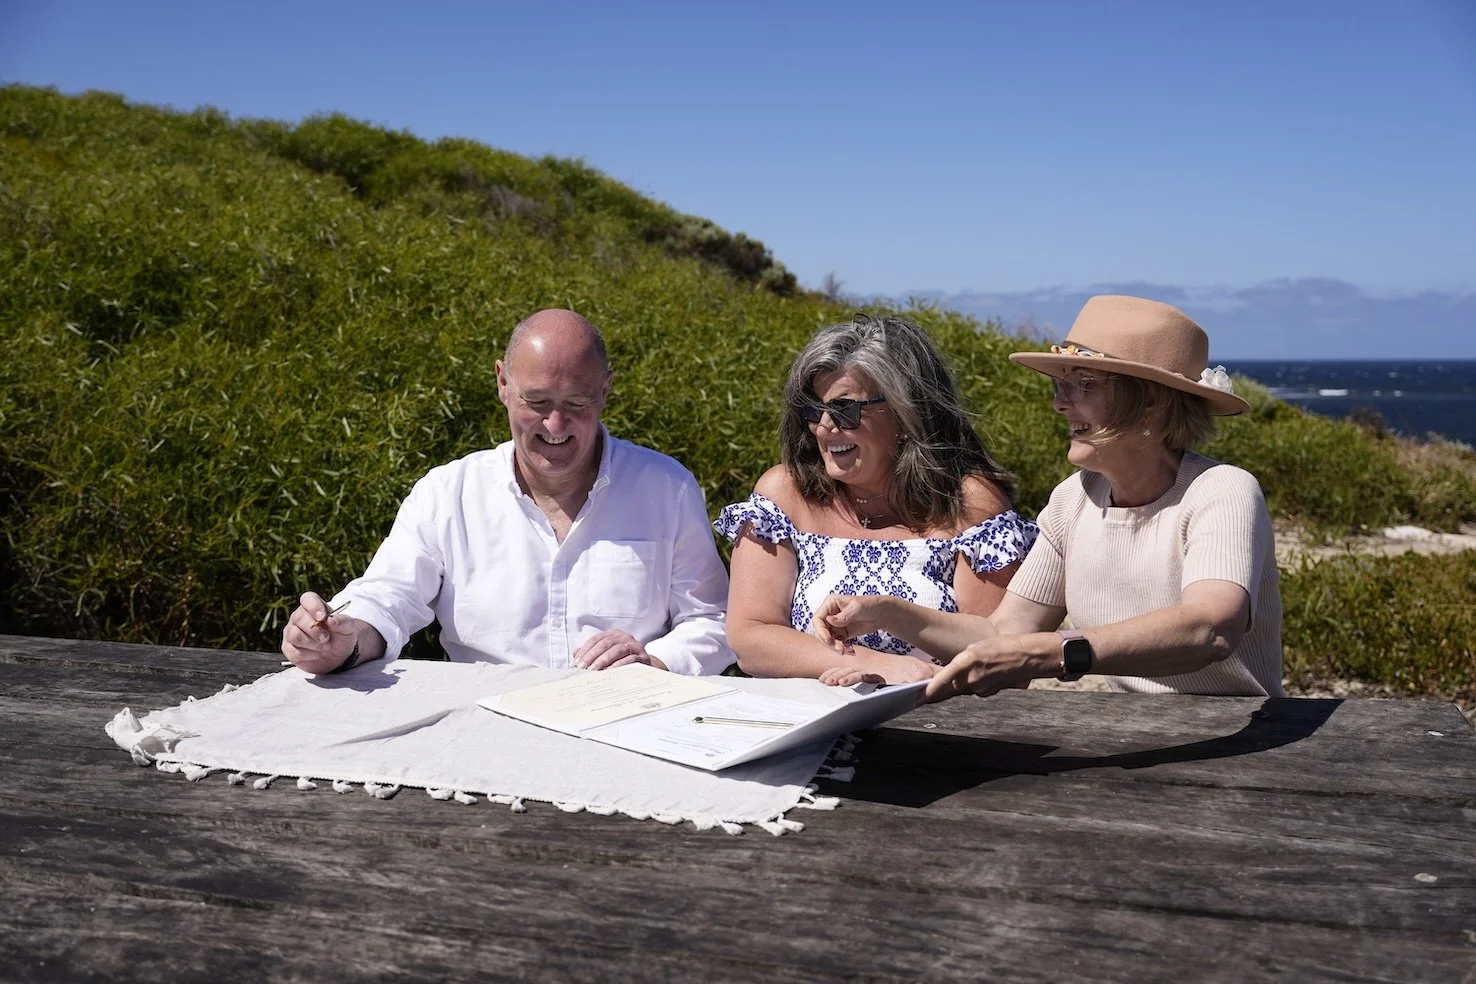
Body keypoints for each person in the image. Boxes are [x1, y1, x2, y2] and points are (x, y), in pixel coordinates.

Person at [813, 295, 1283, 700]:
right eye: (1061, 383)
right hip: (1138, 735)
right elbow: (1004, 632)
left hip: (1242, 737)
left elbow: (1210, 627)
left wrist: (1052, 652)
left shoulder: (1221, 491)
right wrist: (884, 613)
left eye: (1085, 384)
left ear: (1151, 401)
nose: (1060, 402)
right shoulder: (1072, 500)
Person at [280, 309, 732, 676]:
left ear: (606, 391)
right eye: (536, 402)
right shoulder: (448, 493)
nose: (555, 426)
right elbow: (387, 598)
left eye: (577, 403)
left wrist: (655, 661)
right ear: (502, 384)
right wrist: (340, 639)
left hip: (626, 726)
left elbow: (713, 619)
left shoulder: (666, 487)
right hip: (484, 729)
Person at [714, 314, 1037, 684]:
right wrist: (870, 663)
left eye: (844, 409)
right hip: (808, 723)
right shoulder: (784, 495)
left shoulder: (968, 504)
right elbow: (751, 637)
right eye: (811, 408)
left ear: (905, 413)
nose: (823, 426)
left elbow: (1003, 652)